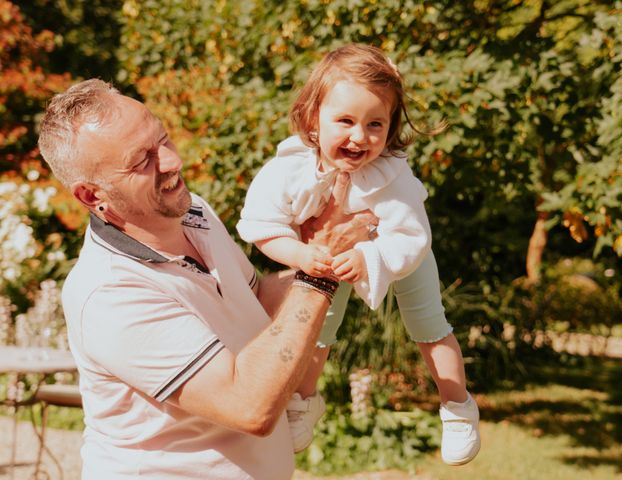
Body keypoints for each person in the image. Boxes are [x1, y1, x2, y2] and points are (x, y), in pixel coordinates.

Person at [37, 79, 375, 479]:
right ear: (93, 197)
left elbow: (257, 300)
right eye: (141, 160)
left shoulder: (190, 211)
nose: (170, 161)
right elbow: (250, 405)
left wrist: (338, 257)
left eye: (162, 138)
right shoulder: (109, 293)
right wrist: (319, 272)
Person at [237, 43, 481, 466]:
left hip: (397, 253)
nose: (359, 136)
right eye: (345, 121)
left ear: (390, 127)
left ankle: (457, 405)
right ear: (314, 118)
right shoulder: (289, 167)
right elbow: (262, 225)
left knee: (429, 325)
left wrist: (371, 258)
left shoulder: (392, 173)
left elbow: (411, 235)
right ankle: (304, 400)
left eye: (375, 124)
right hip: (325, 255)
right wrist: (299, 254)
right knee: (317, 324)